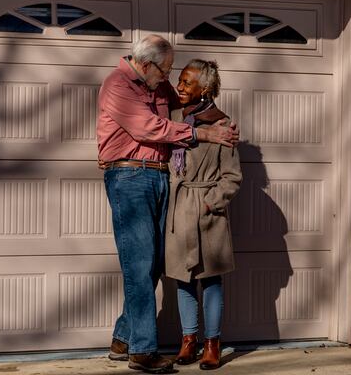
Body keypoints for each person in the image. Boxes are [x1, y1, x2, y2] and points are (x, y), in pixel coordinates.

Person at [96, 35, 238, 374]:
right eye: (168, 71)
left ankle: (123, 337)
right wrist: (205, 135)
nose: (171, 80)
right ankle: (142, 351)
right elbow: (149, 127)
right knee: (139, 263)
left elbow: (195, 104)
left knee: (156, 263)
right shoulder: (118, 84)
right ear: (147, 66)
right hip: (130, 177)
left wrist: (222, 126)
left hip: (161, 179)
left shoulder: (157, 86)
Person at [165, 59, 242, 370]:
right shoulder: (171, 118)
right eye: (179, 81)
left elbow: (232, 176)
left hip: (208, 212)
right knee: (183, 280)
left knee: (210, 280)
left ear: (205, 89)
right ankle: (188, 341)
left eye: (187, 82)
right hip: (177, 207)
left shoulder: (223, 125)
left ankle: (212, 343)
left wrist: (211, 203)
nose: (180, 87)